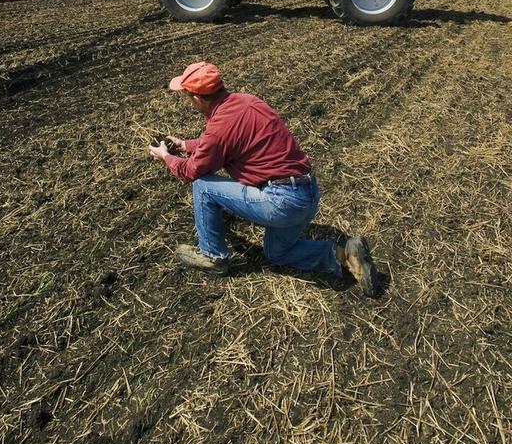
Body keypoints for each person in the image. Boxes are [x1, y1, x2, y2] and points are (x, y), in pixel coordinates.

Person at [148, 61, 378, 296]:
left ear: (196, 98)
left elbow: (190, 171)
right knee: (277, 254)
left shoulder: (219, 127)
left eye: (187, 97)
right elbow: (222, 142)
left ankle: (213, 257)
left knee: (203, 186)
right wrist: (185, 145)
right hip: (307, 192)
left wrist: (166, 156)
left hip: (282, 201)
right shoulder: (247, 101)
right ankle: (345, 255)